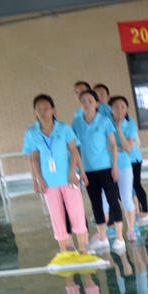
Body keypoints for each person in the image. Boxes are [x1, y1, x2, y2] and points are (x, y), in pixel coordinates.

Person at [22, 94, 89, 253]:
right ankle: (64, 251)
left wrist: (75, 172)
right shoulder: (31, 133)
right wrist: (37, 180)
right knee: (57, 218)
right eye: (39, 109)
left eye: (46, 108)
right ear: (35, 111)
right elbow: (34, 159)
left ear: (53, 110)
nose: (43, 112)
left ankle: (82, 249)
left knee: (77, 214)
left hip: (69, 178)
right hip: (48, 182)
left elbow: (74, 151)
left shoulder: (64, 128)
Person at [71, 89, 129, 270]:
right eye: (83, 101)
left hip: (105, 168)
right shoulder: (77, 123)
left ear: (97, 103)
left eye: (90, 100)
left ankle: (119, 237)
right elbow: (76, 149)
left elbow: (113, 144)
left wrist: (114, 166)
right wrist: (81, 171)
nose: (86, 103)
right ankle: (102, 237)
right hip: (89, 170)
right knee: (96, 203)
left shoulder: (104, 121)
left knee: (113, 200)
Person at [109, 96, 139, 243]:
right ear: (110, 108)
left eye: (123, 106)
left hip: (124, 165)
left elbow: (128, 147)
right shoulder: (105, 123)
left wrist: (119, 129)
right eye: (116, 106)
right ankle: (114, 229)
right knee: (109, 199)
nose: (120, 109)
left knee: (126, 197)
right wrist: (119, 147)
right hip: (106, 165)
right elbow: (104, 147)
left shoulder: (130, 125)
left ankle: (131, 229)